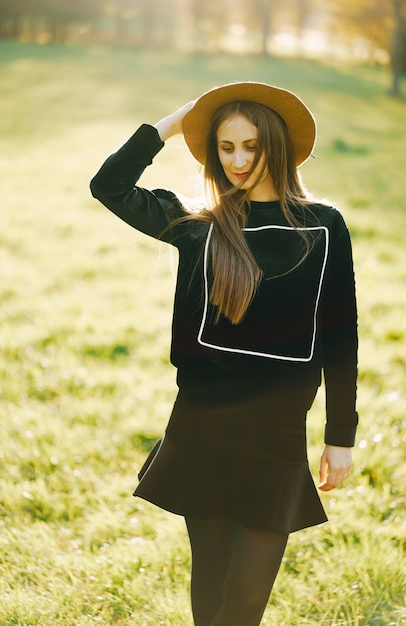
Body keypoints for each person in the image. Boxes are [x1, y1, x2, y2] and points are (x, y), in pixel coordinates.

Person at [90, 82, 358, 626]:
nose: (237, 160)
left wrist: (340, 436)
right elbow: (109, 185)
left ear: (277, 145)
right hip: (201, 428)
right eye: (225, 146)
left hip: (277, 435)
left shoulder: (324, 226)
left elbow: (340, 333)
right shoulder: (198, 226)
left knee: (242, 607)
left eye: (251, 146)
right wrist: (176, 121)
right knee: (209, 588)